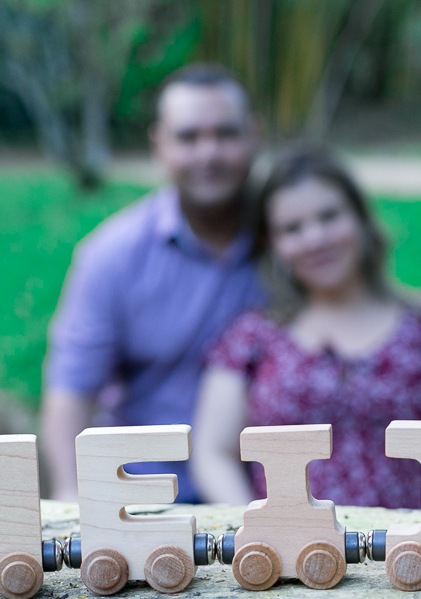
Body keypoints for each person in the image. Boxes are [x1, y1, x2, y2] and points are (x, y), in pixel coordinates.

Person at [191, 147, 421, 509]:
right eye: (292, 228)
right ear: (272, 244)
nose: (315, 239)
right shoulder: (253, 336)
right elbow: (214, 452)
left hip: (406, 553)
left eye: (329, 217)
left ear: (360, 218)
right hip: (288, 554)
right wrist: (249, 529)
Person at [41, 63, 263, 502]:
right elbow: (70, 393)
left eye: (225, 134)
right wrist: (71, 501)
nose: (209, 154)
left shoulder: (293, 242)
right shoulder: (112, 256)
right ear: (159, 145)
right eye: (188, 137)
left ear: (254, 136)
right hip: (148, 497)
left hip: (270, 496)